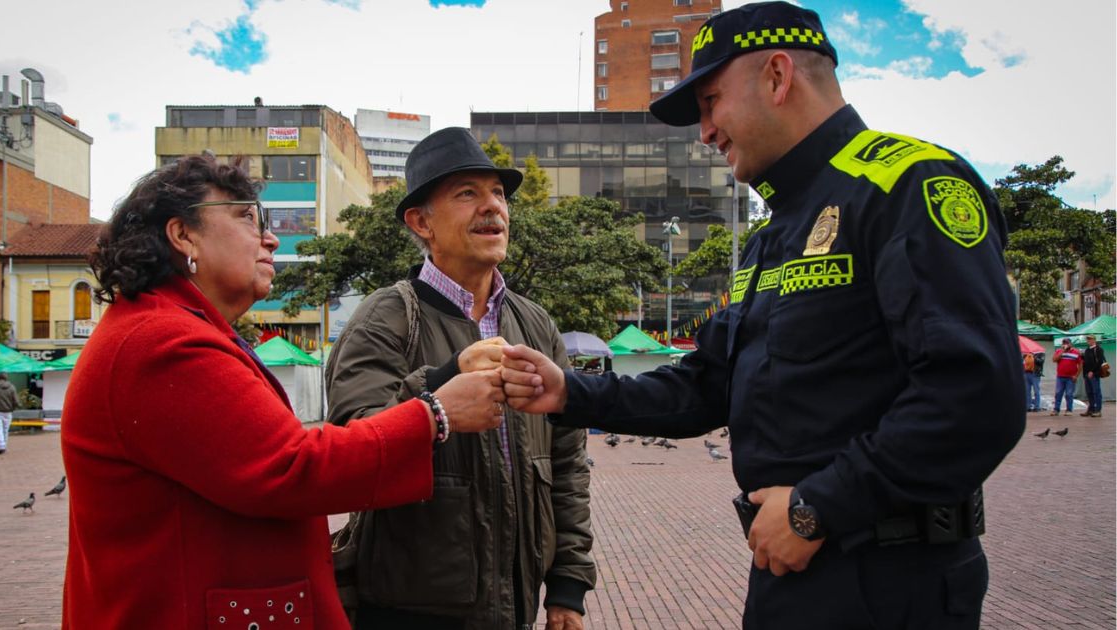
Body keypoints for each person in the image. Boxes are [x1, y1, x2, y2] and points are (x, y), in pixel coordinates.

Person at [500, 3, 1023, 628]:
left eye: (712, 101)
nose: (705, 131)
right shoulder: (771, 236)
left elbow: (976, 393)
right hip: (791, 572)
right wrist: (569, 392)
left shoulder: (906, 185)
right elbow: (707, 385)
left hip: (888, 579)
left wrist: (816, 507)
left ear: (778, 76)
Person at [60, 154, 506, 630]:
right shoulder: (161, 343)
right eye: (247, 218)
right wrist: (436, 413)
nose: (269, 238)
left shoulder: (176, 330)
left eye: (498, 193)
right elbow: (290, 467)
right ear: (184, 235)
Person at [323, 127, 596, 630]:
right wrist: (444, 385)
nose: (492, 207)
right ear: (421, 221)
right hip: (408, 611)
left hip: (518, 607)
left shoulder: (535, 325)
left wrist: (568, 585)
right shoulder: (384, 318)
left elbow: (566, 463)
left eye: (497, 193)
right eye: (467, 194)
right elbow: (350, 450)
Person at [1052, 338, 1082, 415]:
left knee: (1069, 394)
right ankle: (1056, 410)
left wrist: (1076, 376)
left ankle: (1069, 410)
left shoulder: (1076, 352)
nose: (1065, 344)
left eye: (1067, 343)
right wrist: (1062, 352)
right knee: (1058, 393)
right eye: (1064, 343)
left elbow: (1081, 364)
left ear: (1070, 344)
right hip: (1060, 376)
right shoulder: (1059, 351)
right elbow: (1054, 360)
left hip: (1071, 377)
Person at [1081, 334, 1106, 417]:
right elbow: (1085, 362)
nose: (1089, 341)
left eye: (1090, 339)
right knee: (1089, 392)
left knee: (1096, 392)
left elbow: (1100, 362)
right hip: (1087, 375)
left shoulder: (1098, 349)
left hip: (1094, 375)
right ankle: (1091, 409)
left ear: (1094, 340)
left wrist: (1092, 372)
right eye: (1088, 339)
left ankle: (1098, 410)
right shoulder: (1087, 350)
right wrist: (1085, 374)